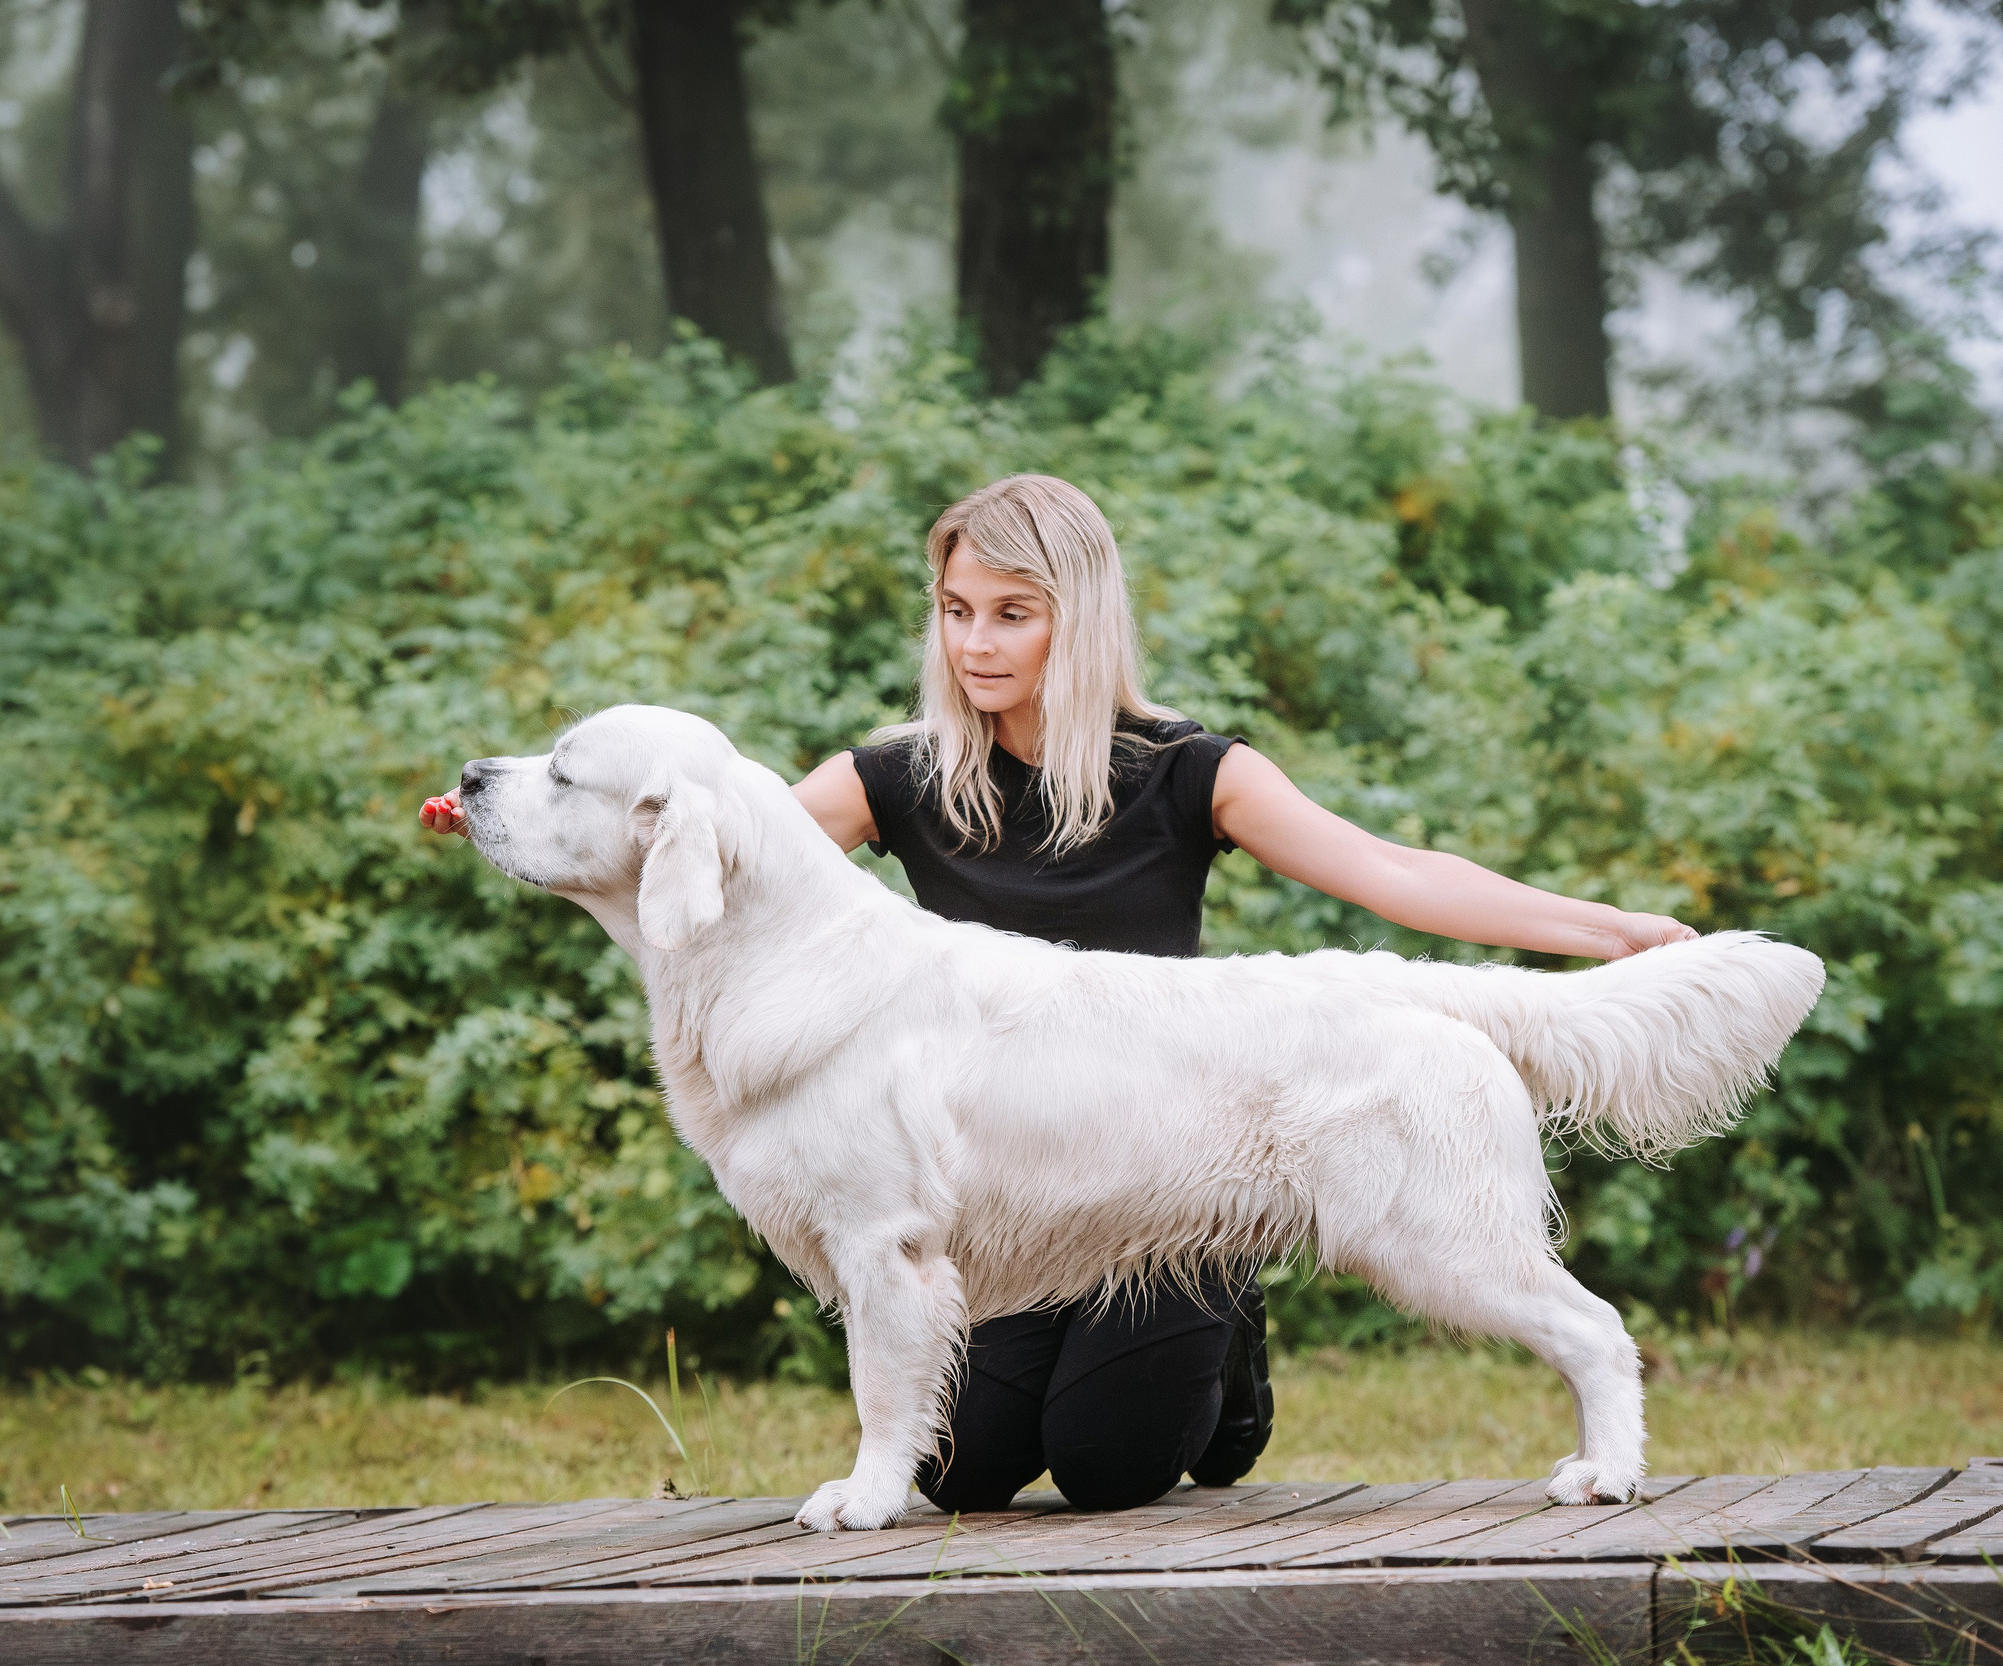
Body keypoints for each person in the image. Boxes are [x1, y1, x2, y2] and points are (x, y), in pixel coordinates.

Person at [422, 472, 1695, 1516]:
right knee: (963, 1473)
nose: (975, 641)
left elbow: (1392, 872)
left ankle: (1228, 1347)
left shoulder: (1188, 769)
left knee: (1104, 1464)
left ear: (1074, 619)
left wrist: (1607, 931)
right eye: (956, 609)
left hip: (1187, 1160)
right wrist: (518, 823)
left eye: (1011, 612)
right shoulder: (900, 774)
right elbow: (704, 855)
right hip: (1009, 1208)